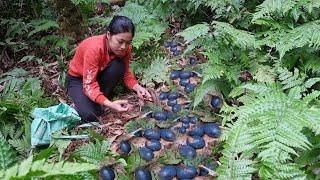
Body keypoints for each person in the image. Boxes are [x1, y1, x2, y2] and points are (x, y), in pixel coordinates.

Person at [66, 15, 152, 122]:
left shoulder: (125, 48)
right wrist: (110, 104)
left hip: (99, 74)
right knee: (89, 115)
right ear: (108, 35)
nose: (124, 47)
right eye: (120, 42)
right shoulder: (94, 49)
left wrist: (137, 87)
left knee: (119, 66)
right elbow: (89, 84)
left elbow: (125, 71)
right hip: (79, 79)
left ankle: (96, 100)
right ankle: (91, 102)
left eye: (128, 43)